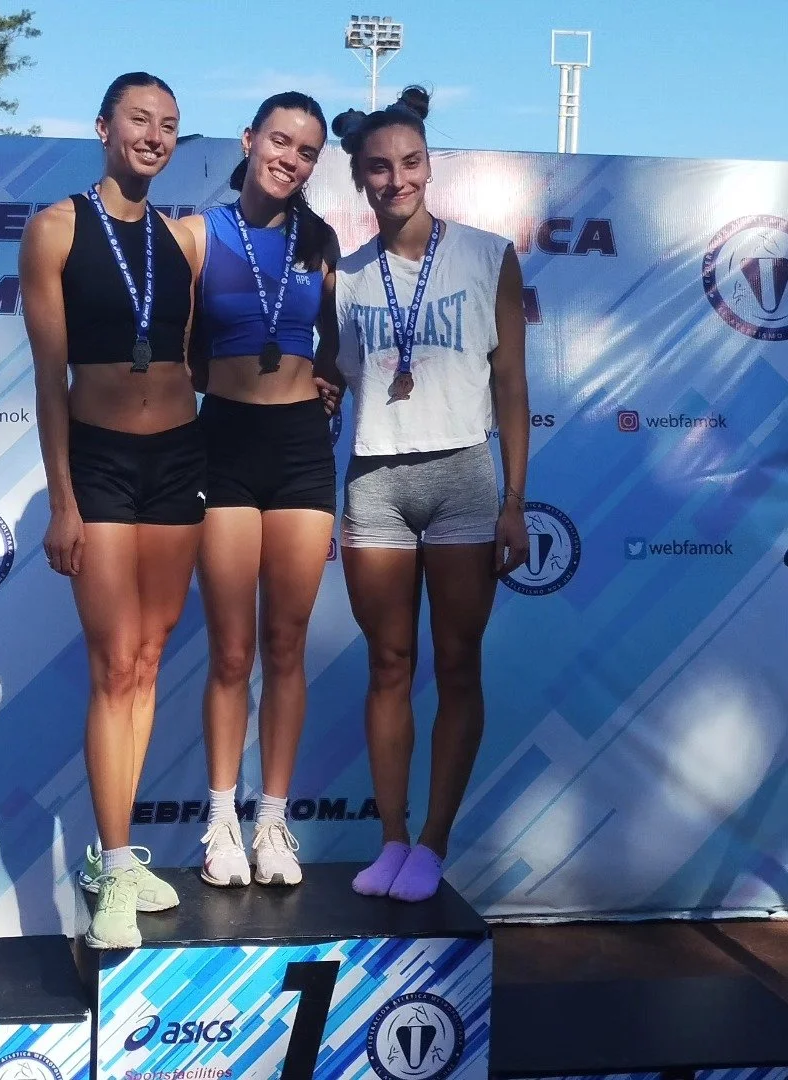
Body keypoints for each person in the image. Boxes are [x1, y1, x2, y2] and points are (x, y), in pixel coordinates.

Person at [325, 86, 530, 902]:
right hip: (374, 481)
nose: (396, 178)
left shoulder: (489, 255)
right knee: (388, 664)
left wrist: (515, 499)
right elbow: (333, 380)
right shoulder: (341, 275)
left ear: (428, 165)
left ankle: (435, 841)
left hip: (462, 479)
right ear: (360, 178)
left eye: (409, 162)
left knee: (456, 664)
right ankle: (392, 838)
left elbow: (510, 382)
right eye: (379, 166)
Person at [19, 72, 203, 949]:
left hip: (177, 462)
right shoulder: (54, 229)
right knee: (113, 662)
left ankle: (123, 861)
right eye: (140, 119)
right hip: (96, 463)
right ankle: (114, 860)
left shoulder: (182, 239)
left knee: (152, 656)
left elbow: (213, 352)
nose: (155, 135)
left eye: (169, 125)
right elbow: (49, 378)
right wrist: (61, 498)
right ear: (103, 127)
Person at [181, 92, 339, 889]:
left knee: (287, 645)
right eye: (281, 140)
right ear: (250, 141)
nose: (292, 158)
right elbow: (175, 356)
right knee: (233, 650)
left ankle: (273, 823)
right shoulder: (199, 234)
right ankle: (220, 824)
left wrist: (329, 385)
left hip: (303, 454)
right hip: (227, 446)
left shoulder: (321, 241)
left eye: (308, 150)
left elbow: (332, 352)